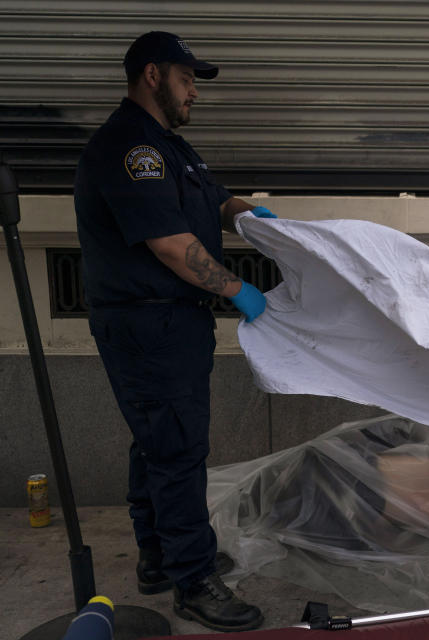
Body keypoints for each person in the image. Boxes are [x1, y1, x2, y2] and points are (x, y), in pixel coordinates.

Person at [74, 31, 277, 631]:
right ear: (153, 75)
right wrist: (237, 288)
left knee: (157, 441)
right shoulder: (129, 149)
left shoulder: (170, 148)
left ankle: (159, 554)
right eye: (188, 80)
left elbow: (209, 201)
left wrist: (247, 213)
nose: (195, 93)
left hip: (169, 323)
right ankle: (193, 581)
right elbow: (168, 243)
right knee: (178, 450)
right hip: (148, 323)